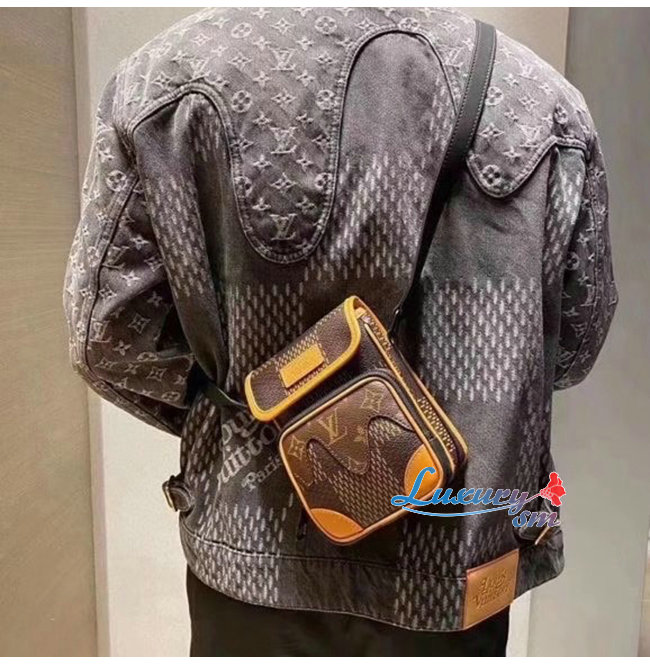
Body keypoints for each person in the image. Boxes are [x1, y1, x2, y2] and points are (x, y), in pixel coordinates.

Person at [63, 8, 617, 656]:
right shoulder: (543, 103)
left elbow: (107, 337)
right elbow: (575, 341)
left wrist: (265, 411)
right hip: (455, 561)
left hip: (251, 557)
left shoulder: (162, 81)